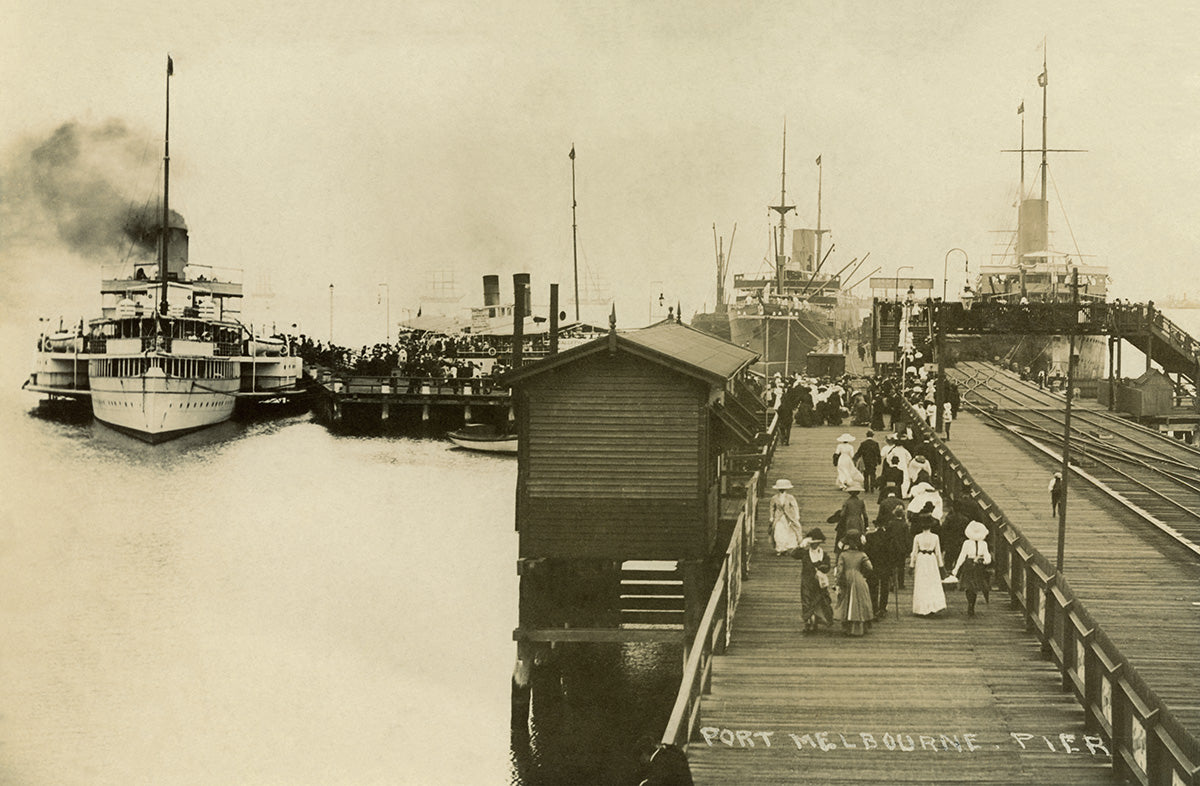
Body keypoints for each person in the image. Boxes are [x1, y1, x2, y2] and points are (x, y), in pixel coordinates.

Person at [834, 530, 874, 636]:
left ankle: (848, 628)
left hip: (846, 579)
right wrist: (862, 573)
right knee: (860, 601)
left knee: (847, 601)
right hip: (859, 578)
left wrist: (837, 582)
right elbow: (870, 567)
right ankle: (859, 628)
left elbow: (839, 571)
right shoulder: (862, 554)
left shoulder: (843, 555)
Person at [794, 528, 833, 634]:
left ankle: (815, 622)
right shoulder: (805, 553)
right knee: (807, 602)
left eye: (816, 543)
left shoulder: (824, 554)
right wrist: (801, 546)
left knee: (819, 602)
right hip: (807, 581)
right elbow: (794, 554)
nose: (814, 545)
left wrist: (822, 568)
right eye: (812, 543)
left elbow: (827, 567)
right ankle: (809, 624)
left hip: (818, 582)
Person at [951, 520, 992, 617]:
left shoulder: (968, 543)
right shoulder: (983, 543)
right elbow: (987, 557)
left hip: (970, 565)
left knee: (969, 586)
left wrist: (956, 568)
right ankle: (971, 604)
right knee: (973, 586)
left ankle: (970, 603)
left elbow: (962, 556)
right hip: (976, 566)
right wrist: (984, 561)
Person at [909, 515, 946, 616]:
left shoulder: (917, 537)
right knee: (932, 582)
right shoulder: (935, 537)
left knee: (921, 582)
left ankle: (921, 608)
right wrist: (941, 566)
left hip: (921, 560)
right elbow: (938, 553)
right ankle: (932, 606)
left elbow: (914, 552)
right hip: (931, 560)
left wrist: (912, 565)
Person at [862, 520, 896, 619]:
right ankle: (882, 608)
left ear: (875, 526)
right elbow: (893, 553)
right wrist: (893, 566)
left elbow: (866, 552)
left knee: (873, 587)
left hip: (873, 566)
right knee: (885, 587)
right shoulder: (889, 537)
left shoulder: (869, 537)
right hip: (885, 566)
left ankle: (874, 608)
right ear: (884, 526)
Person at [770, 478, 803, 555]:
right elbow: (772, 508)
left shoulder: (790, 497)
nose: (782, 490)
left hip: (789, 517)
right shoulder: (774, 498)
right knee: (778, 532)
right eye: (780, 488)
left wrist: (797, 515)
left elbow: (795, 506)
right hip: (779, 517)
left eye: (783, 488)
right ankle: (780, 548)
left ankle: (789, 548)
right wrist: (771, 516)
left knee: (789, 531)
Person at [834, 483, 869, 548]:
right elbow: (865, 515)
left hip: (849, 521)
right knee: (859, 535)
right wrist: (866, 525)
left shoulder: (847, 502)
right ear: (858, 492)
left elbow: (842, 514)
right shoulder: (861, 502)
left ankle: (850, 547)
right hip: (858, 521)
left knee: (849, 534)